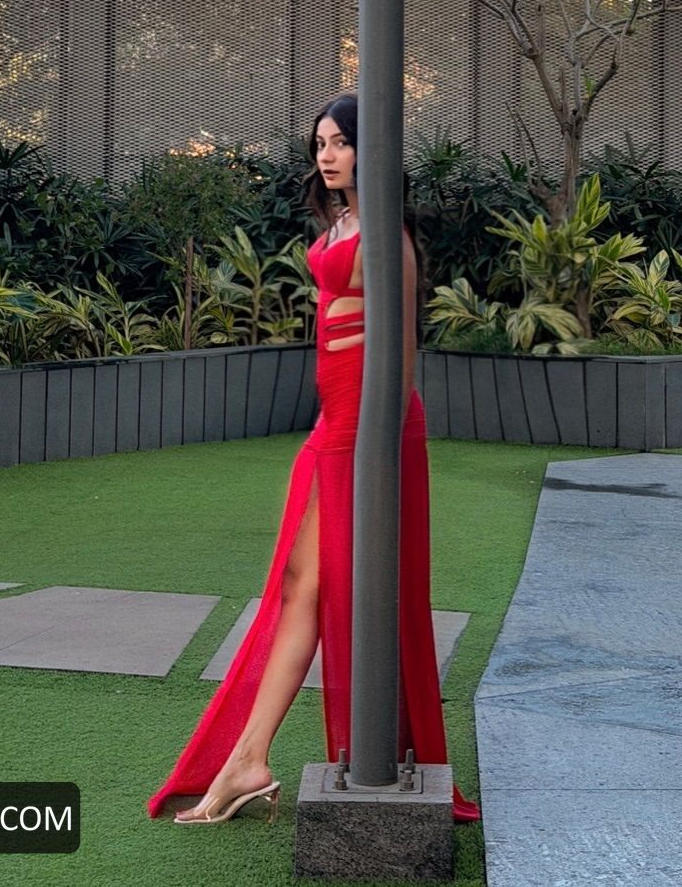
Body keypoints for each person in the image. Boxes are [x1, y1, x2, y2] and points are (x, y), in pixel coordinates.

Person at [145, 90, 481, 828]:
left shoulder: (387, 235)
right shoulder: (343, 223)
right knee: (301, 584)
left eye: (341, 142)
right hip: (334, 418)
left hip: (369, 427)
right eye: (320, 144)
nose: (327, 156)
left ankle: (255, 759)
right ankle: (249, 759)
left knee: (329, 588)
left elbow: (400, 352)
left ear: (373, 149)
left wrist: (375, 448)